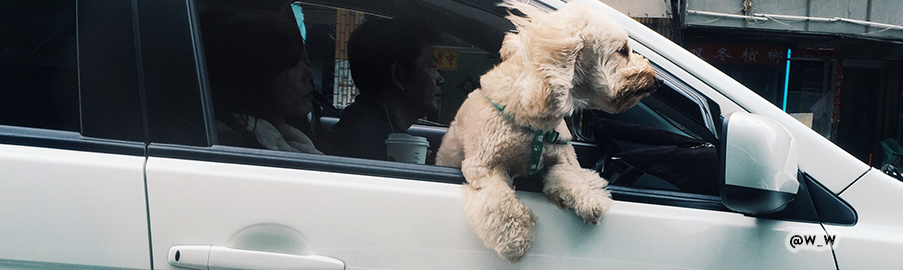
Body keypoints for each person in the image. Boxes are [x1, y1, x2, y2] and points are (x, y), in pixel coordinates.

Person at [201, 8, 322, 154]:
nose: (308, 73)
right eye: (290, 63)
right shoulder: (243, 152)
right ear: (257, 75)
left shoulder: (279, 141)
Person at [326, 18, 444, 160]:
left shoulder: (360, 128)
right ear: (398, 76)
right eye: (431, 67)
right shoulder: (376, 149)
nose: (440, 79)